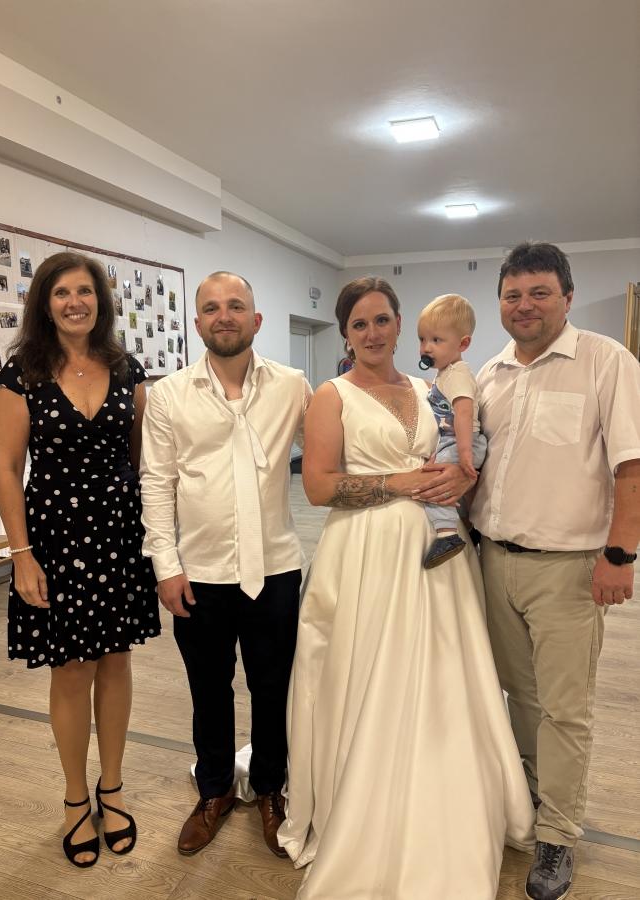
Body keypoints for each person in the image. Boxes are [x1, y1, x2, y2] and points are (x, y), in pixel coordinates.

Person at [279, 275, 535, 899]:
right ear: (346, 334)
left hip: (438, 554)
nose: (372, 333)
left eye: (382, 320)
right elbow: (317, 486)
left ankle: (450, 796)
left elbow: (460, 456)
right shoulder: (332, 396)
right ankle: (360, 802)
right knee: (366, 669)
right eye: (359, 324)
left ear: (400, 325)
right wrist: (396, 483)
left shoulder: (430, 388)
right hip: (364, 553)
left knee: (445, 673)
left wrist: (459, 480)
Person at [471, 241, 640, 900]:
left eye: (539, 292)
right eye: (512, 295)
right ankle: (533, 799)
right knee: (520, 698)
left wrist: (620, 554)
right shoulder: (487, 375)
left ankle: (559, 835)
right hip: (494, 561)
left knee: (565, 709)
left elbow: (631, 466)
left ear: (567, 297)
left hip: (570, 569)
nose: (524, 305)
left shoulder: (606, 361)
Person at [0, 251, 161, 868]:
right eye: (62, 292)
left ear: (100, 301)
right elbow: (8, 470)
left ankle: (111, 789)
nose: (74, 302)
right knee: (71, 669)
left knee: (115, 662)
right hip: (55, 543)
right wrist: (21, 554)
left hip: (119, 536)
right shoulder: (23, 374)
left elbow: (143, 462)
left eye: (84, 291)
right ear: (45, 303)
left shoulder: (126, 369)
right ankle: (73, 798)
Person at [139, 271, 311, 858]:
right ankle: (213, 790)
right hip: (199, 574)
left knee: (273, 687)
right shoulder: (169, 395)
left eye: (236, 305)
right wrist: (165, 566)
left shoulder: (292, 386)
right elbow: (156, 482)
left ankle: (270, 788)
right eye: (211, 308)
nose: (224, 316)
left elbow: (335, 451)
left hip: (276, 569)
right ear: (197, 323)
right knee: (208, 689)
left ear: (256, 319)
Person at [417, 293, 487, 568]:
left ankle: (447, 535)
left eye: (436, 340)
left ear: (463, 343)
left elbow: (464, 414)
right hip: (453, 440)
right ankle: (469, 527)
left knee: (437, 485)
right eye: (422, 339)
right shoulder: (445, 373)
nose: (426, 347)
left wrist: (464, 453)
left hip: (462, 440)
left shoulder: (457, 374)